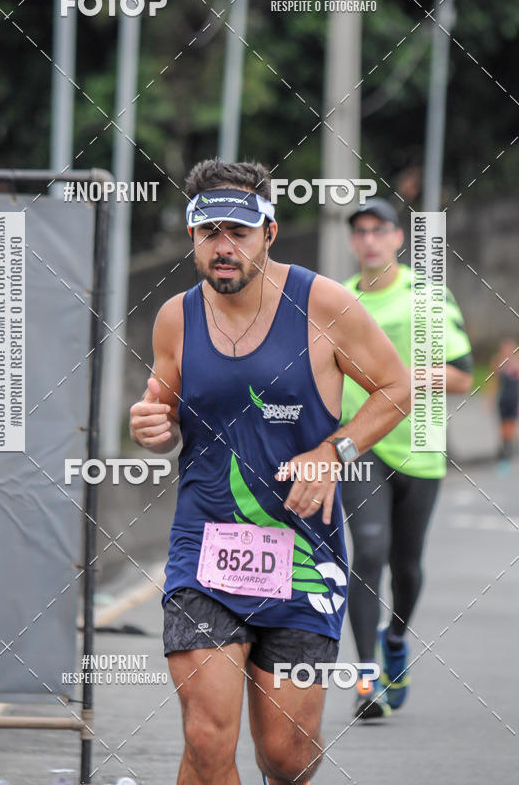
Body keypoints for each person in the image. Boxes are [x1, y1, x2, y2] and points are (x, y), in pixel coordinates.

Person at [130, 161, 411, 785]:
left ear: (270, 233)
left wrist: (333, 452)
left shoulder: (324, 303)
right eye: (209, 233)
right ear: (191, 237)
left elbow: (397, 388)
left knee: (286, 757)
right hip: (204, 545)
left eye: (239, 232)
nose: (223, 247)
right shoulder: (176, 316)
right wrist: (150, 429)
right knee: (206, 739)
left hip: (304, 550)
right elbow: (162, 410)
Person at [341, 197, 473, 720]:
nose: (369, 239)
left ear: (398, 238)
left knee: (407, 566)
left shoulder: (428, 296)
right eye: (360, 231)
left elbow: (462, 377)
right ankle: (367, 676)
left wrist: (402, 380)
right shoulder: (339, 302)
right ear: (353, 242)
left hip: (419, 444)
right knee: (368, 550)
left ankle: (396, 637)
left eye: (379, 230)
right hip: (360, 445)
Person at [489, 337, 519, 470]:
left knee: (510, 425)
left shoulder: (517, 362)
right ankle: (504, 447)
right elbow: (494, 382)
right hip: (503, 398)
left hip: (514, 398)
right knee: (502, 426)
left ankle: (508, 450)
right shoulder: (497, 361)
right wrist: (489, 400)